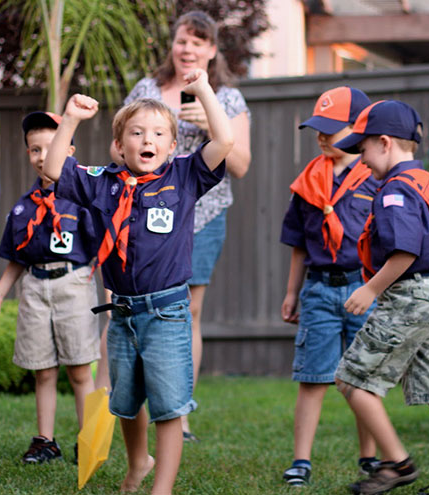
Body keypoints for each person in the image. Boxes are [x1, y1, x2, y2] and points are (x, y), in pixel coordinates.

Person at [42, 67, 233, 494]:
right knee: (125, 403)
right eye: (136, 133)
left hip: (166, 312)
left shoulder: (183, 176)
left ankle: (160, 488)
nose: (147, 140)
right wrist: (70, 117)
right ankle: (138, 463)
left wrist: (201, 90)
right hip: (123, 313)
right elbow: (55, 167)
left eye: (158, 134)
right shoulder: (103, 183)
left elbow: (225, 142)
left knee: (167, 407)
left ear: (172, 143)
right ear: (118, 145)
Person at [331, 100, 429, 495]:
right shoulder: (426, 184)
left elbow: (405, 250)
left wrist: (371, 289)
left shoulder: (394, 191)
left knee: (351, 380)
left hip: (409, 295)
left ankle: (397, 463)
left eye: (362, 149)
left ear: (384, 143)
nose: (360, 160)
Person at [123, 10, 251, 441]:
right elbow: (118, 143)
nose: (188, 49)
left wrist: (208, 124)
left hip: (203, 217)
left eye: (198, 42)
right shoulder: (146, 90)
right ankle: (124, 406)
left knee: (186, 312)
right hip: (143, 217)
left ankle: (181, 414)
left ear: (212, 51)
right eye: (182, 41)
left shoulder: (228, 99)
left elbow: (241, 164)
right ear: (172, 45)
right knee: (129, 308)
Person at [0, 111, 99, 464]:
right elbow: (17, 256)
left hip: (74, 284)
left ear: (70, 150)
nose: (43, 156)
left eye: (51, 147)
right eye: (35, 150)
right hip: (34, 287)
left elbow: (102, 250)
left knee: (79, 368)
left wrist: (110, 292)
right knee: (43, 370)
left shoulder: (84, 200)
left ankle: (88, 440)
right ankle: (45, 441)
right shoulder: (22, 208)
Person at [279, 86, 378, 487]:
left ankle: (369, 457)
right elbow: (299, 243)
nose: (321, 136)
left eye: (331, 129)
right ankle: (300, 459)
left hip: (362, 290)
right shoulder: (307, 182)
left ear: (357, 130)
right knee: (313, 377)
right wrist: (291, 291)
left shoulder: (376, 178)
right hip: (318, 290)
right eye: (317, 129)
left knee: (364, 377)